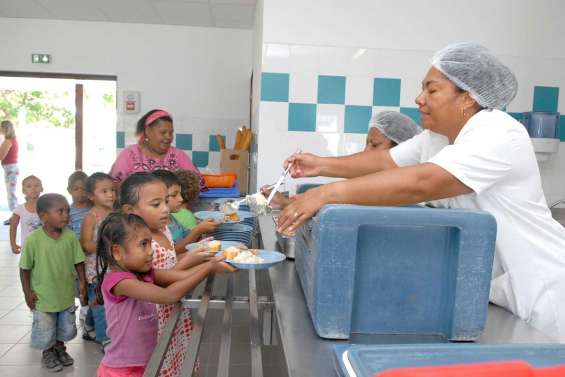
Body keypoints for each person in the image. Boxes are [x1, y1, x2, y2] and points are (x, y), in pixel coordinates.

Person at [277, 42, 565, 342]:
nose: (419, 99)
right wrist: (319, 165)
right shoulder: (438, 138)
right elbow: (383, 161)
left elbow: (423, 182)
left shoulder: (498, 133)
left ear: (467, 98)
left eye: (432, 90)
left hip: (544, 294)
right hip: (500, 292)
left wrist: (325, 194)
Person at [120, 172, 234, 377]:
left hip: (174, 310)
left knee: (180, 362)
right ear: (130, 210)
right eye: (156, 204)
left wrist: (201, 254)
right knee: (158, 365)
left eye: (165, 201)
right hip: (154, 319)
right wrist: (206, 265)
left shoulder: (163, 230)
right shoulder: (140, 246)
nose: (166, 208)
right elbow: (162, 279)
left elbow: (172, 262)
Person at [95, 213, 232, 377]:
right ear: (117, 252)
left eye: (150, 244)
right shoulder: (120, 282)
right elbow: (168, 295)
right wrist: (209, 267)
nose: (151, 251)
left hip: (146, 362)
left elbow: (181, 277)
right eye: (143, 245)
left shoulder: (143, 273)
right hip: (123, 370)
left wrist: (221, 261)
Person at [263, 111, 421, 209]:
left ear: (401, 152)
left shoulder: (406, 187)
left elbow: (349, 204)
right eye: (366, 144)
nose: (366, 152)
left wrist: (288, 204)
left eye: (374, 145)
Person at [19, 193, 86, 373]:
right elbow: (24, 269)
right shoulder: (33, 240)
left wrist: (82, 284)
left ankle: (59, 348)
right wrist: (27, 293)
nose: (66, 215)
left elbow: (78, 261)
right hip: (43, 296)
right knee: (46, 327)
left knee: (64, 326)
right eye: (60, 211)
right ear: (43, 216)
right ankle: (48, 352)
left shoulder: (70, 237)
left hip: (64, 294)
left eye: (67, 211)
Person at [109, 109, 206, 191]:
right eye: (163, 132)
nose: (168, 137)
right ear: (147, 131)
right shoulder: (130, 154)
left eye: (171, 133)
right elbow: (112, 185)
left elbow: (197, 184)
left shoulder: (179, 156)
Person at [80, 173, 115, 350]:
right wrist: (106, 249)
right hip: (96, 269)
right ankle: (105, 338)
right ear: (91, 196)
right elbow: (85, 244)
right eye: (104, 191)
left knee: (100, 300)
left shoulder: (115, 215)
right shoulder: (91, 217)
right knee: (101, 303)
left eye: (112, 190)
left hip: (112, 267)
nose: (110, 194)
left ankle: (89, 326)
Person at [152, 169, 219, 255]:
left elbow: (188, 237)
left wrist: (203, 226)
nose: (181, 199)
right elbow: (173, 254)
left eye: (180, 194)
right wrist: (198, 230)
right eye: (174, 195)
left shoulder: (172, 218)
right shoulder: (159, 226)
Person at [9, 175, 43, 254]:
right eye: (29, 186)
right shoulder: (20, 209)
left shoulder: (46, 207)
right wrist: (13, 244)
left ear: (41, 189)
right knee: (26, 266)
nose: (33, 188)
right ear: (24, 191)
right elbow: (13, 227)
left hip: (44, 247)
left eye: (37, 185)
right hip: (27, 247)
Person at [0, 120, 19, 225]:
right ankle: (15, 216)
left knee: (11, 195)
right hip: (11, 169)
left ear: (5, 129)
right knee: (12, 194)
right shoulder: (13, 139)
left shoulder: (8, 141)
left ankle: (15, 217)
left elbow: (1, 156)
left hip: (10, 169)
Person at [67, 171, 90, 239]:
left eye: (83, 189)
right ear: (69, 190)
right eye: (76, 189)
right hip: (75, 247)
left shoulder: (94, 208)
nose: (80, 192)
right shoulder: (67, 212)